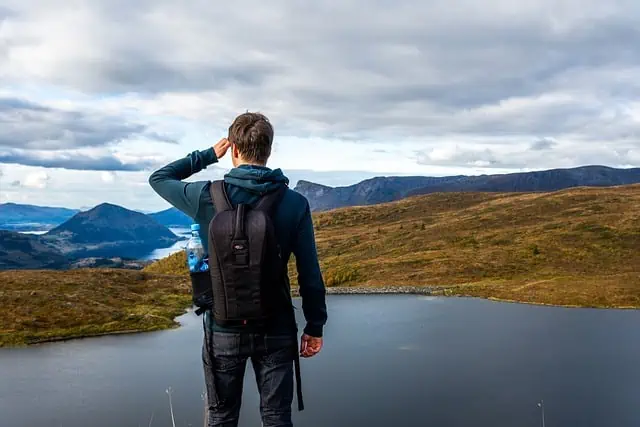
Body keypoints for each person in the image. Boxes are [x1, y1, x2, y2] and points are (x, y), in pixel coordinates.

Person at [148, 112, 328, 427]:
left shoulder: (206, 196)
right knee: (275, 417)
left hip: (222, 328)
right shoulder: (295, 203)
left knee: (221, 416)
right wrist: (315, 326)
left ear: (233, 149)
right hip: (276, 327)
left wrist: (205, 155)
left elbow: (159, 178)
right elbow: (310, 274)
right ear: (269, 149)